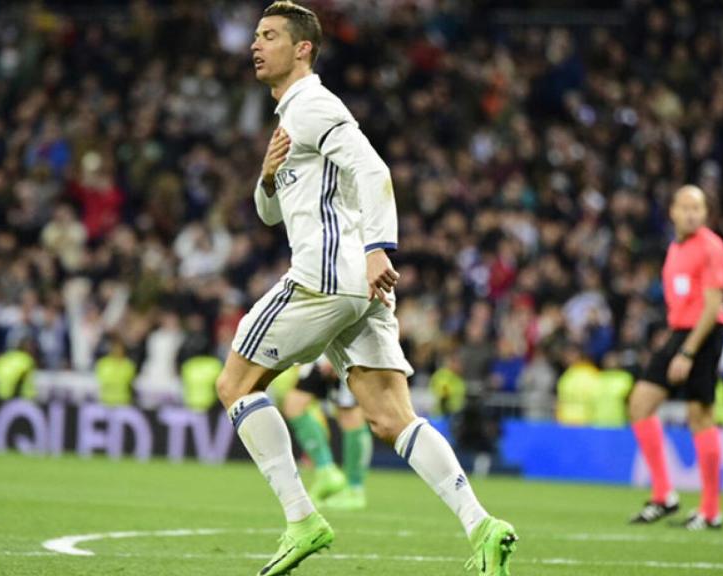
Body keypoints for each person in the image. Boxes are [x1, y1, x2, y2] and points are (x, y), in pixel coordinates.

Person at [214, 3, 517, 574]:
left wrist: (382, 247)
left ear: (303, 48)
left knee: (234, 383)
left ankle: (302, 518)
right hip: (357, 286)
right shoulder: (291, 119)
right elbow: (268, 214)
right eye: (255, 35)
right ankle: (483, 526)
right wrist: (267, 174)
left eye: (271, 35)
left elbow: (373, 170)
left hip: (326, 276)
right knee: (390, 416)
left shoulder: (314, 105)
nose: (256, 44)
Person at [627, 185, 723, 530]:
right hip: (680, 332)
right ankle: (663, 496)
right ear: (672, 211)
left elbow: (713, 305)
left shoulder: (712, 247)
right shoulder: (675, 248)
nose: (691, 213)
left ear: (705, 213)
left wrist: (687, 351)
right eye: (685, 207)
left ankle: (711, 511)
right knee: (640, 403)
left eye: (697, 208)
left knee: (699, 415)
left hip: (704, 332)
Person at [282, 357, 371, 510]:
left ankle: (355, 489)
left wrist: (340, 355)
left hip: (344, 354)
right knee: (294, 406)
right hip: (321, 353)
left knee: (350, 415)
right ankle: (326, 472)